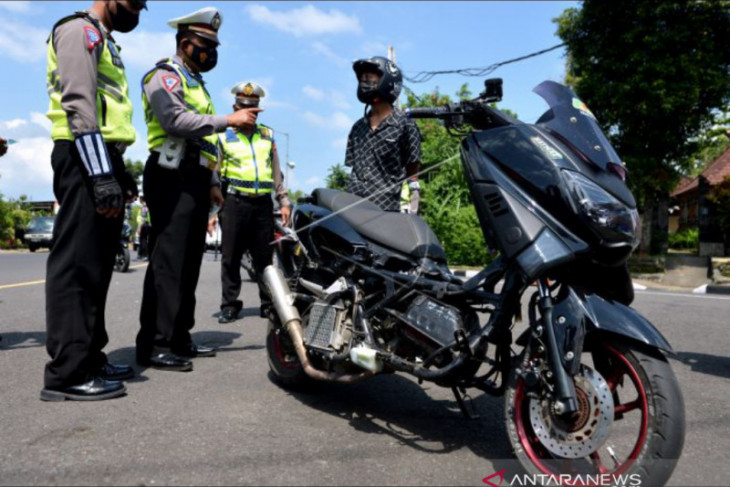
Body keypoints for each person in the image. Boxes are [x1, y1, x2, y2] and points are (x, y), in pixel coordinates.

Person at [136, 7, 261, 372]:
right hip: (169, 173)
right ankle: (156, 344)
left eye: (213, 45)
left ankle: (179, 336)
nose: (209, 52)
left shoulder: (195, 82)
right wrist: (229, 119)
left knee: (189, 262)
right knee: (169, 262)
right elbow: (174, 120)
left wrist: (212, 182)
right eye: (203, 44)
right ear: (183, 42)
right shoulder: (163, 75)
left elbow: (205, 142)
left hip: (194, 177)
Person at [41, 0, 147, 402]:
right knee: (76, 265)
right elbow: (79, 105)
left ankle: (90, 355)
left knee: (99, 265)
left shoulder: (105, 39)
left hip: (103, 156)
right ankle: (66, 373)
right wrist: (100, 173)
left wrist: (119, 174)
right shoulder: (77, 30)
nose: (137, 9)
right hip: (82, 154)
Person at [216, 82, 291, 324]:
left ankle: (268, 303)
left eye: (254, 110)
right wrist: (213, 209)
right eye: (244, 109)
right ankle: (230, 305)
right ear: (235, 108)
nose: (249, 114)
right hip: (234, 203)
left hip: (262, 205)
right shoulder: (223, 136)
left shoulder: (267, 136)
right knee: (231, 257)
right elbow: (214, 173)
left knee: (265, 257)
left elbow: (277, 172)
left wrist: (284, 201)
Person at [345, 56, 422, 212]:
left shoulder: (405, 125)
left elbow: (413, 169)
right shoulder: (357, 128)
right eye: (362, 78)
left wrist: (412, 201)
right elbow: (353, 171)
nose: (364, 82)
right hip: (354, 210)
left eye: (369, 77)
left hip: (387, 212)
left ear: (387, 80)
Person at [136, 195, 151, 260]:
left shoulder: (144, 207)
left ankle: (145, 255)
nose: (139, 201)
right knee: (145, 239)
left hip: (144, 224)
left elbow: (143, 217)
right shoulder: (148, 206)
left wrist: (139, 226)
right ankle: (141, 254)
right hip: (148, 224)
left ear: (142, 200)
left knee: (143, 239)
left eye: (139, 199)